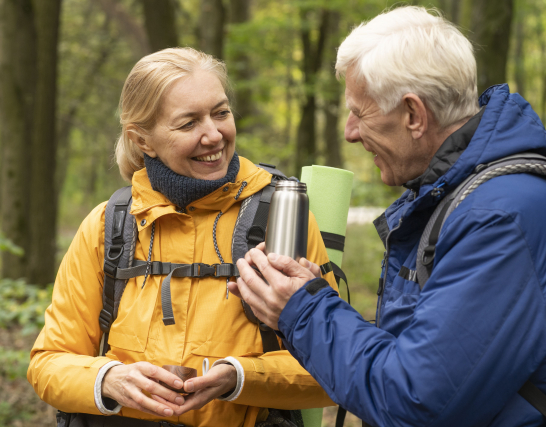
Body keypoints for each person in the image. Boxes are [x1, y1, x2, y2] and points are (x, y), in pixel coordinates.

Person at [229, 6, 546, 427]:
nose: (349, 131)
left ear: (414, 115)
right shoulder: (456, 196)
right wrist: (307, 298)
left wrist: (303, 310)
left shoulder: (497, 218)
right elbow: (417, 352)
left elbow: (417, 403)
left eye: (359, 113)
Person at [27, 47, 336, 427]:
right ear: (143, 140)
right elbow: (48, 362)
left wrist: (239, 377)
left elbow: (333, 368)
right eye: (188, 123)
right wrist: (109, 379)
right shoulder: (108, 225)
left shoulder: (283, 220)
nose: (214, 135)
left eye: (221, 113)